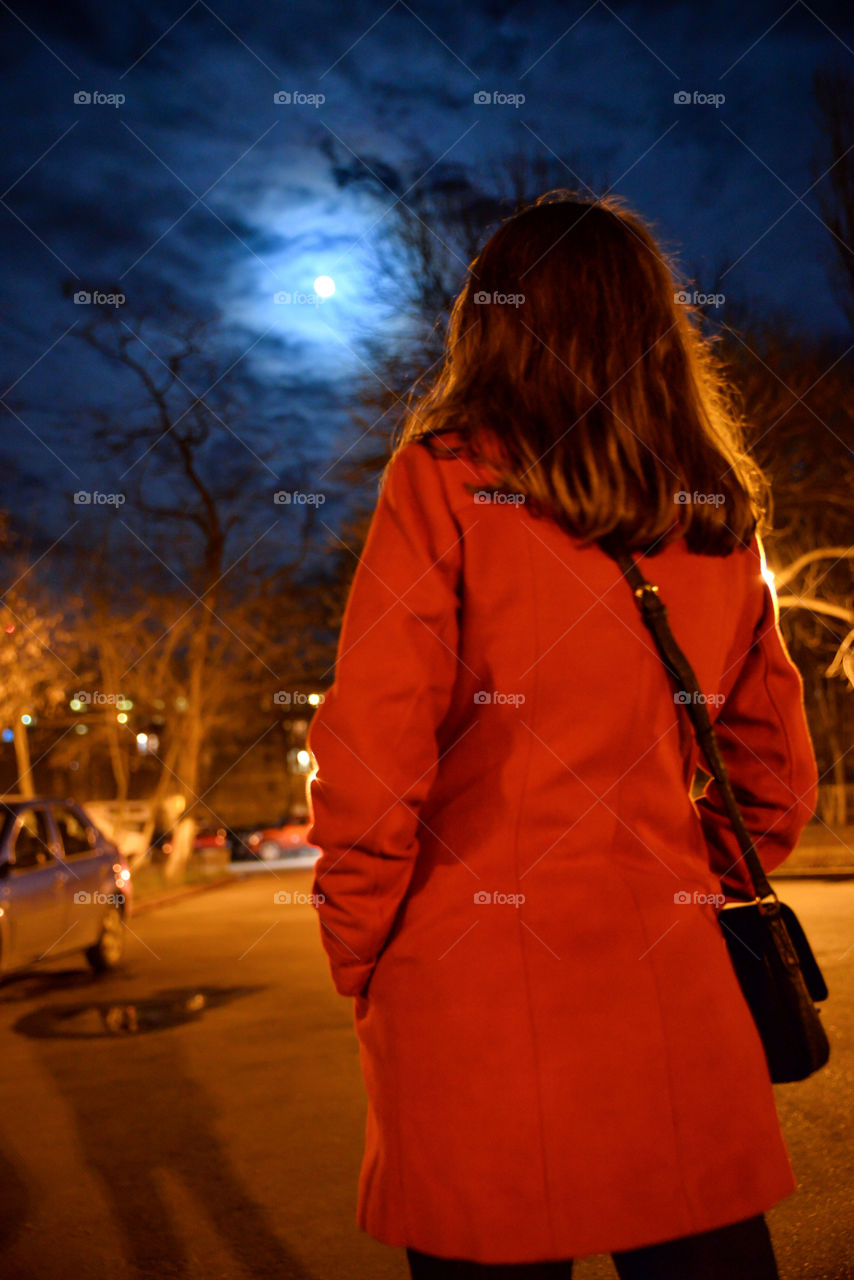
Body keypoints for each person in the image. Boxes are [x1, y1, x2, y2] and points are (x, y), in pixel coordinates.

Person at [306, 191, 819, 1279]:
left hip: (466, 999)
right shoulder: (715, 512)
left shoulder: (442, 479)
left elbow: (370, 748)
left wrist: (361, 945)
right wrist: (685, 884)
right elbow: (770, 776)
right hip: (670, 994)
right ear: (655, 333)